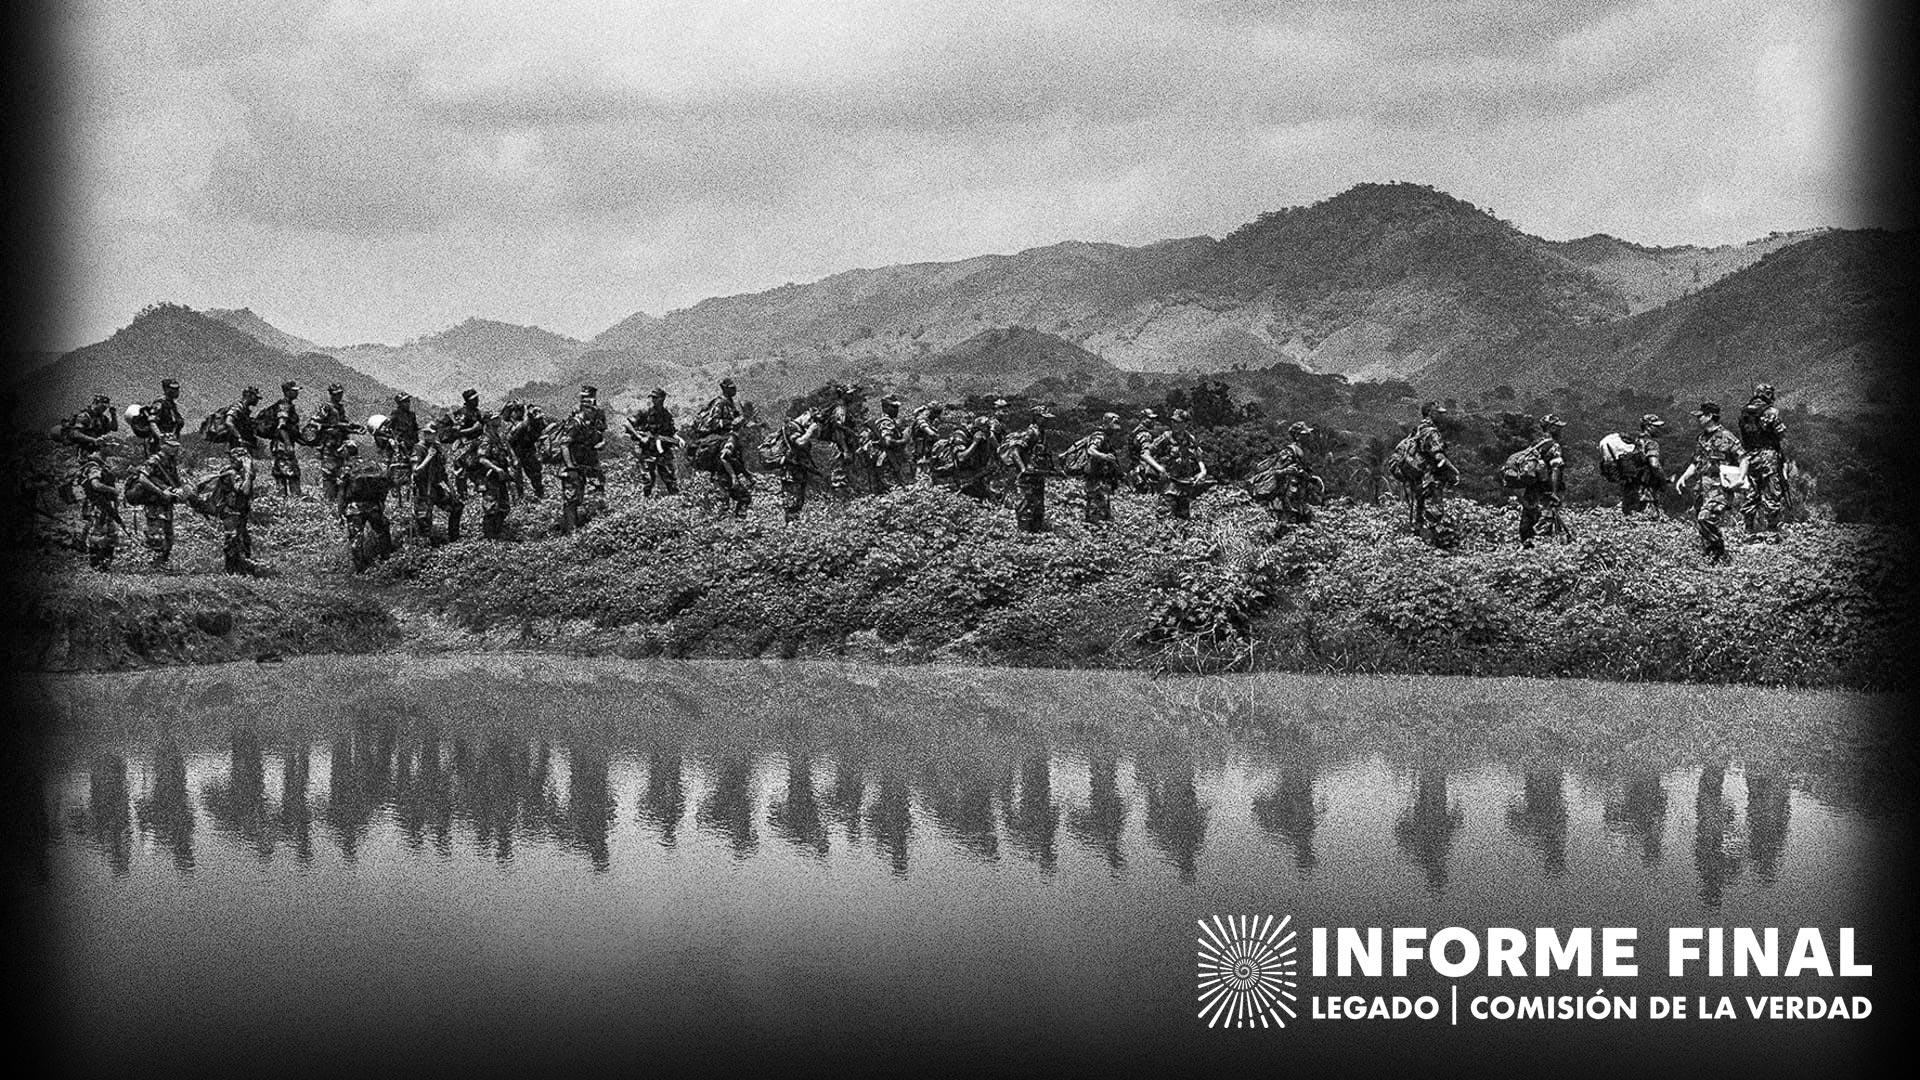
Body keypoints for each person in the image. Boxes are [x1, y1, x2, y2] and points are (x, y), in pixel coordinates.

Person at [1677, 401, 1745, 565]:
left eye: (1701, 416)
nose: (1698, 419)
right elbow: (1696, 462)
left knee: (1705, 519)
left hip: (1719, 489)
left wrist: (1741, 479)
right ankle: (1710, 560)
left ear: (1709, 416)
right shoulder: (1702, 438)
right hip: (1702, 489)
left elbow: (1743, 458)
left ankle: (1720, 553)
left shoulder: (1727, 437)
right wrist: (1683, 477)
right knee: (1702, 527)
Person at [1737, 382, 1788, 539]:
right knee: (1772, 491)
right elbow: (1781, 434)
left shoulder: (1744, 412)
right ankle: (1772, 530)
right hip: (1767, 455)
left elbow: (1743, 435)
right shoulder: (1771, 412)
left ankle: (1748, 529)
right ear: (1768, 395)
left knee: (1752, 492)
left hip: (1749, 455)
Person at [1250, 422, 1317, 538]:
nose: (1308, 437)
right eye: (1305, 434)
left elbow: (1307, 472)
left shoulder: (1305, 451)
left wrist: (1307, 476)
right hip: (1288, 494)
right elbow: (1276, 472)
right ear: (1297, 436)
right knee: (1286, 522)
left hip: (1300, 493)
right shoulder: (1289, 452)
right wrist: (1288, 471)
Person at [558, 385, 608, 532]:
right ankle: (571, 532)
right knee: (572, 498)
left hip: (591, 461)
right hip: (574, 462)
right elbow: (564, 445)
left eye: (591, 405)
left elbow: (601, 436)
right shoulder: (575, 421)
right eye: (585, 403)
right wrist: (570, 467)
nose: (590, 409)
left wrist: (602, 444)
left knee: (597, 492)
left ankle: (597, 529)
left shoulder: (598, 417)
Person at [1000, 405, 1057, 532]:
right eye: (1044, 418)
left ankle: (1035, 538)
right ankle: (1024, 537)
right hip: (1027, 479)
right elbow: (1015, 452)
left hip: (1037, 476)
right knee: (1025, 509)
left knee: (1038, 510)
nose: (1047, 421)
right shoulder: (1031, 432)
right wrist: (1023, 469)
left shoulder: (1043, 434)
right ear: (1036, 418)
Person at [129, 437, 185, 567]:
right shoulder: (154, 460)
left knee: (169, 536)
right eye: (171, 445)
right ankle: (154, 565)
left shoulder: (170, 461)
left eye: (176, 446)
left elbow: (174, 480)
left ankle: (162, 563)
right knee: (156, 536)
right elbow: (142, 479)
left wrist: (178, 491)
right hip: (155, 503)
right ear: (162, 445)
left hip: (166, 504)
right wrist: (161, 492)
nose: (175, 448)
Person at [338, 442, 394, 571]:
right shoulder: (372, 465)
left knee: (356, 538)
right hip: (373, 506)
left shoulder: (347, 468)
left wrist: (340, 511)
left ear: (346, 452)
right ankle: (387, 561)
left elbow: (341, 492)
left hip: (354, 508)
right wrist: (381, 503)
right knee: (383, 531)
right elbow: (383, 484)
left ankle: (360, 569)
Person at [1142, 410, 1208, 520]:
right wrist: (1160, 469)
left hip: (1185, 485)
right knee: (1165, 520)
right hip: (1168, 486)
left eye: (1178, 422)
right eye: (1173, 421)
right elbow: (1145, 454)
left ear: (1186, 424)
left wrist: (1203, 471)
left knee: (1184, 520)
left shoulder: (1190, 439)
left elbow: (1199, 457)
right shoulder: (1166, 437)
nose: (1174, 424)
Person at [206, 445, 260, 575]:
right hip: (230, 512)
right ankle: (232, 571)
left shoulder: (238, 472)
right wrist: (247, 471)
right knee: (233, 540)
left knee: (243, 540)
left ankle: (242, 568)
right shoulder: (231, 473)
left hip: (239, 512)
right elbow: (245, 490)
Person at [1411, 401, 1458, 547]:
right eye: (1439, 413)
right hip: (1431, 478)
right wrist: (1454, 471)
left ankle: (1416, 544)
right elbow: (1438, 456)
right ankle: (1431, 546)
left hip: (1420, 478)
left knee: (1420, 510)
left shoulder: (1419, 429)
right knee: (1433, 512)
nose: (1442, 416)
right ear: (1431, 413)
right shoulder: (1432, 432)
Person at [1517, 414, 1568, 548]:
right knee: (1545, 522)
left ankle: (1526, 547)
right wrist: (1555, 492)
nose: (1560, 431)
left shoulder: (1535, 445)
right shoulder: (1554, 446)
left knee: (1528, 519)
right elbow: (1556, 469)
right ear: (1551, 428)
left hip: (1531, 491)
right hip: (1545, 492)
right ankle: (1540, 550)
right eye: (1558, 427)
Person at [411, 424, 463, 543]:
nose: (430, 435)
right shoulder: (418, 448)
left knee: (457, 506)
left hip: (435, 487)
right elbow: (416, 471)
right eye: (427, 433)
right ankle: (426, 548)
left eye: (432, 433)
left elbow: (442, 471)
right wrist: (428, 457)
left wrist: (452, 490)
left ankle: (453, 538)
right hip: (423, 490)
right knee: (424, 521)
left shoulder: (437, 447)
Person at [773, 408, 825, 523]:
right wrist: (810, 431)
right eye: (810, 419)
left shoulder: (799, 428)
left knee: (798, 502)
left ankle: (794, 526)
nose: (810, 423)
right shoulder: (792, 427)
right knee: (792, 502)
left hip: (798, 471)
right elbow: (799, 442)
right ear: (805, 414)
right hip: (790, 472)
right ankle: (790, 528)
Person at [626, 387, 680, 497]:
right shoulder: (645, 413)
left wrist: (678, 439)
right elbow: (627, 424)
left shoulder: (666, 415)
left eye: (656, 398)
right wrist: (640, 437)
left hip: (662, 450)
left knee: (670, 478)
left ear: (662, 399)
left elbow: (671, 432)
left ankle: (676, 501)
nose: (653, 400)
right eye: (652, 398)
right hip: (647, 450)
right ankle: (645, 504)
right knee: (648, 480)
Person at [312, 383, 360, 504]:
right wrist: (335, 426)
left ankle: (339, 501)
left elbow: (344, 425)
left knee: (342, 474)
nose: (339, 396)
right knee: (329, 474)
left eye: (340, 393)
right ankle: (329, 501)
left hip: (340, 446)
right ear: (331, 394)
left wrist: (353, 428)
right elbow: (316, 422)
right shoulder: (326, 407)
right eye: (336, 394)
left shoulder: (340, 408)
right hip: (329, 445)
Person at [471, 417, 517, 540]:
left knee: (504, 506)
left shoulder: (499, 437)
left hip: (500, 477)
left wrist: (512, 462)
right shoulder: (486, 439)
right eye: (495, 419)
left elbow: (507, 451)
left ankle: (498, 532)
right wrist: (496, 468)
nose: (499, 420)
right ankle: (490, 537)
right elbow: (482, 459)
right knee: (490, 507)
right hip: (489, 477)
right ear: (489, 422)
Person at [262, 381, 309, 497]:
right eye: (294, 390)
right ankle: (294, 498)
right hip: (282, 445)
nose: (297, 392)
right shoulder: (284, 406)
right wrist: (288, 444)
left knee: (280, 473)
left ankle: (281, 498)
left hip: (279, 445)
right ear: (287, 392)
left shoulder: (287, 405)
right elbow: (282, 426)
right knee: (292, 473)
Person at [78, 448, 122, 570]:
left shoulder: (102, 464)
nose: (113, 447)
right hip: (98, 505)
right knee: (98, 534)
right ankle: (96, 563)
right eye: (111, 445)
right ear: (102, 448)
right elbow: (95, 485)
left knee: (111, 533)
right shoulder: (94, 466)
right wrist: (112, 490)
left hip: (105, 505)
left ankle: (105, 562)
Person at [1618, 414, 1667, 518]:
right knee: (1649, 522)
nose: (1659, 429)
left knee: (1630, 522)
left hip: (1630, 491)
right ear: (1648, 427)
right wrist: (1663, 481)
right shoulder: (1651, 443)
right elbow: (1654, 464)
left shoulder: (1635, 442)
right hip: (1646, 492)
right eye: (1656, 426)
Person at [1081, 412, 1126, 524]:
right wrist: (1104, 456)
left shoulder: (1106, 438)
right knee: (1097, 514)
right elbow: (1091, 450)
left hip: (1102, 482)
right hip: (1096, 481)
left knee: (1103, 512)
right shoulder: (1099, 436)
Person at [863, 395, 911, 494]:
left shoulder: (890, 421)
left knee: (889, 491)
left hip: (889, 460)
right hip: (888, 461)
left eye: (897, 407)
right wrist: (904, 440)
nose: (896, 410)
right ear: (885, 407)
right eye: (893, 407)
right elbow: (887, 442)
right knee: (895, 491)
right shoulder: (886, 422)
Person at [712, 416, 754, 518]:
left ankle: (736, 525)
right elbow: (724, 457)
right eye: (746, 428)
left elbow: (736, 462)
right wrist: (734, 477)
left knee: (741, 498)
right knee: (740, 499)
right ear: (742, 428)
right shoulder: (732, 440)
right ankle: (736, 523)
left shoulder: (730, 437)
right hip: (723, 478)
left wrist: (748, 476)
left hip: (721, 478)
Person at [206, 386, 263, 451]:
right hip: (232, 446)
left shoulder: (244, 410)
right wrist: (239, 437)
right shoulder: (238, 407)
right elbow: (228, 422)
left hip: (236, 445)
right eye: (256, 397)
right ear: (249, 395)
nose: (257, 400)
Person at [1130, 409, 1165, 495]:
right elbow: (1145, 455)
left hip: (1135, 470)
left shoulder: (1136, 431)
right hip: (1145, 472)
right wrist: (1159, 468)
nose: (1153, 421)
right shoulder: (1144, 435)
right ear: (1143, 419)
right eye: (1150, 419)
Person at [909, 401, 945, 480]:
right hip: (919, 449)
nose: (937, 416)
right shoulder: (921, 420)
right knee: (920, 467)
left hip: (925, 448)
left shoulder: (928, 418)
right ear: (931, 412)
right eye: (936, 413)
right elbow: (930, 432)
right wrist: (939, 438)